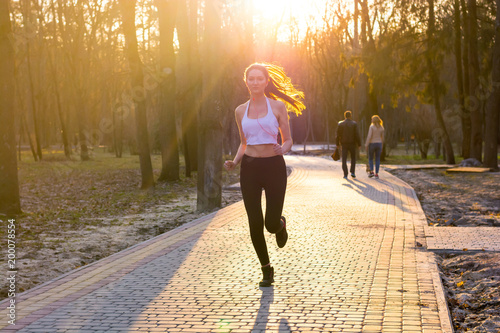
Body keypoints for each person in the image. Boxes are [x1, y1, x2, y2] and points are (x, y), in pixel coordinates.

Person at [224, 63, 304, 287]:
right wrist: (235, 161)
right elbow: (243, 142)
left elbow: (288, 139)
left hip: (274, 167)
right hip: (249, 168)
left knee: (269, 223)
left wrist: (283, 148)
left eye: (260, 78)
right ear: (246, 81)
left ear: (266, 81)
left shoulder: (278, 107)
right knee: (254, 222)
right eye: (252, 78)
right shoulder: (240, 110)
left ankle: (280, 224)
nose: (256, 82)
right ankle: (266, 269)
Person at [336, 110, 361, 179]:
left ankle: (345, 174)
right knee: (353, 158)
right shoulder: (354, 124)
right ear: (350, 116)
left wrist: (337, 143)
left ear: (345, 116)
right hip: (352, 144)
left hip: (344, 144)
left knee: (344, 159)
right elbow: (357, 134)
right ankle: (352, 172)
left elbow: (338, 135)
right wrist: (359, 143)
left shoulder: (341, 124)